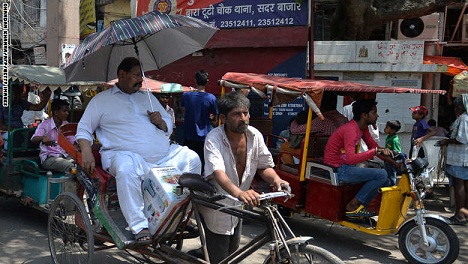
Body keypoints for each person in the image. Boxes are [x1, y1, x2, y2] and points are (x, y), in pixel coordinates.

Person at [76, 57, 201, 244]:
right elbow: (84, 129)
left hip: (163, 156)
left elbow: (168, 123)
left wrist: (161, 121)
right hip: (125, 155)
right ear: (122, 74)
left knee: (192, 158)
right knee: (126, 169)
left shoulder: (148, 97)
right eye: (136, 75)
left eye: (141, 76)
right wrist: (86, 151)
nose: (140, 80)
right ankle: (139, 226)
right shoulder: (101, 101)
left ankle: (178, 215)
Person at [199, 92, 289, 263]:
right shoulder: (214, 138)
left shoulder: (255, 136)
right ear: (224, 118)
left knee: (233, 254)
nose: (243, 118)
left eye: (245, 113)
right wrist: (239, 192)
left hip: (238, 205)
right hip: (218, 204)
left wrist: (276, 180)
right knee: (219, 257)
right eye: (237, 114)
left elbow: (264, 166)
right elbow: (218, 173)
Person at [324, 100, 392, 218]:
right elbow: (351, 158)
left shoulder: (362, 128)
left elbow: (373, 146)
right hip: (337, 170)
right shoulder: (351, 130)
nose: (377, 115)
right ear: (364, 115)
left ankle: (358, 208)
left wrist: (394, 162)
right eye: (374, 112)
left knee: (386, 180)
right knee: (381, 174)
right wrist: (375, 152)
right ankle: (352, 206)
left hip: (345, 167)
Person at [439, 95, 468, 225]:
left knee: (459, 186)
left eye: (458, 106)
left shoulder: (464, 119)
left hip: (460, 158)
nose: (456, 109)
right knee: (465, 186)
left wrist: (446, 141)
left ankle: (459, 215)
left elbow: (462, 139)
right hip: (463, 158)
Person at [181, 70, 218, 172]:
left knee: (186, 163)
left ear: (195, 80)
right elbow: (215, 116)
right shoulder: (211, 98)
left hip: (189, 134)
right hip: (204, 137)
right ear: (207, 81)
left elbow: (184, 111)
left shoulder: (186, 95)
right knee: (202, 163)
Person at [0, 84, 51, 149]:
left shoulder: (20, 102)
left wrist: (47, 96)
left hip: (19, 130)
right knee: (12, 137)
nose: (15, 96)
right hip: (6, 131)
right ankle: (9, 155)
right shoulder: (1, 103)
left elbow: (38, 107)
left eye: (18, 93)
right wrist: (16, 130)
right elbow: (1, 125)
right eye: (13, 93)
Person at [31, 99, 75, 173]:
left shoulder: (66, 124)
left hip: (64, 156)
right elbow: (33, 138)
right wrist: (43, 138)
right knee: (71, 166)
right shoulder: (45, 125)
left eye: (68, 111)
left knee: (82, 164)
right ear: (56, 112)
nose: (67, 113)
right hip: (49, 159)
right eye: (64, 111)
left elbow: (72, 141)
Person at [383, 120, 402, 186]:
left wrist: (390, 154)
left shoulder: (394, 140)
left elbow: (397, 152)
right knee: (387, 176)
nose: (384, 128)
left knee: (391, 177)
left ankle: (393, 190)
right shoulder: (389, 137)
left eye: (387, 127)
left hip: (392, 163)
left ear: (393, 130)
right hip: (387, 161)